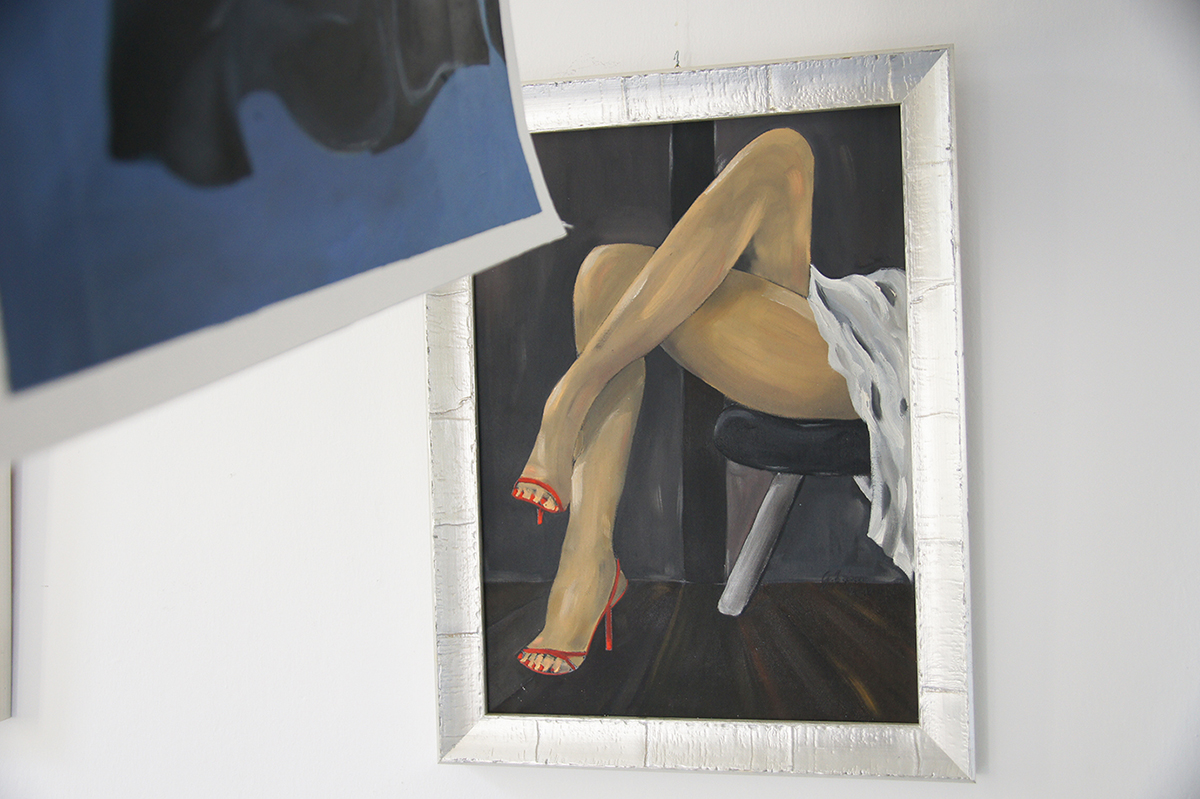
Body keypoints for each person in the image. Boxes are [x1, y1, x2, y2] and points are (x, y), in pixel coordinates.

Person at [511, 127, 878, 675]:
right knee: (607, 270)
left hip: (889, 351)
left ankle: (569, 399)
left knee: (612, 277)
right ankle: (588, 558)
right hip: (843, 312)